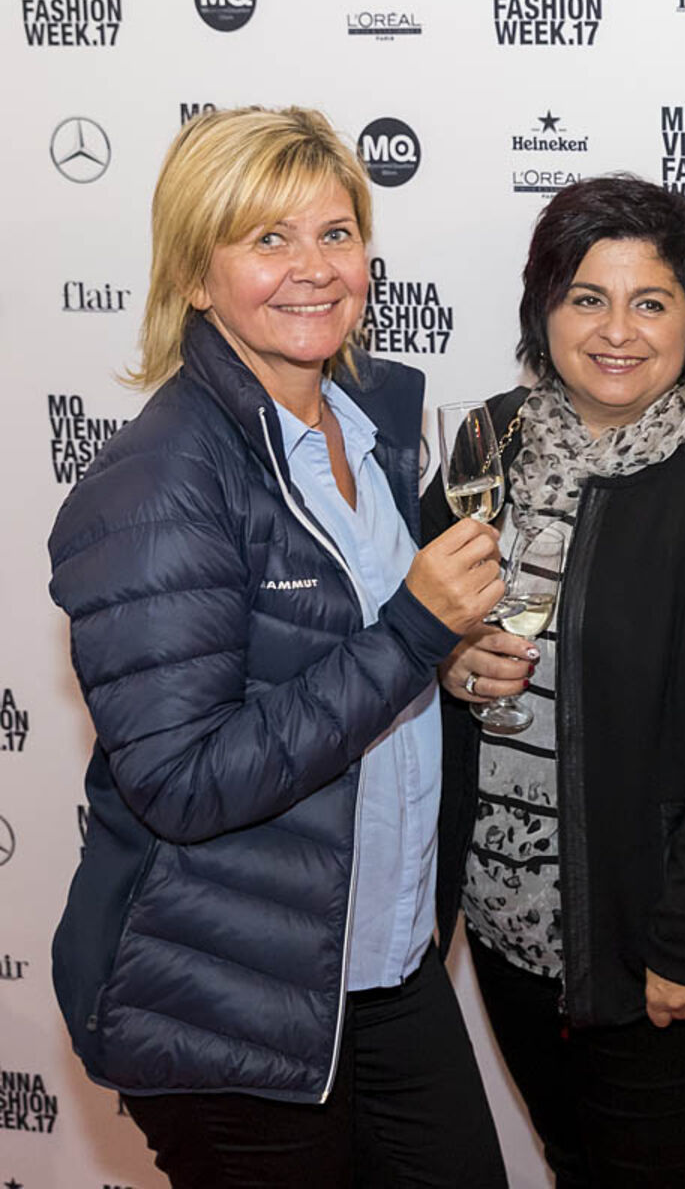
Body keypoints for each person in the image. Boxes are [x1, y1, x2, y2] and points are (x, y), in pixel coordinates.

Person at [46, 106, 509, 1186]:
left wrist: (439, 660)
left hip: (383, 967)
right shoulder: (157, 483)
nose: (313, 268)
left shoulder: (370, 425)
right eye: (268, 238)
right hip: (228, 999)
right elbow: (182, 779)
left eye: (336, 233)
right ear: (195, 277)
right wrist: (415, 631)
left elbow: (322, 653)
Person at [431, 174, 685, 1188]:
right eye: (586, 298)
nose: (617, 330)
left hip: (661, 938)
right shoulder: (484, 444)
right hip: (507, 926)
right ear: (543, 310)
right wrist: (446, 658)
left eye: (651, 301)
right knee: (572, 1165)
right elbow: (410, 627)